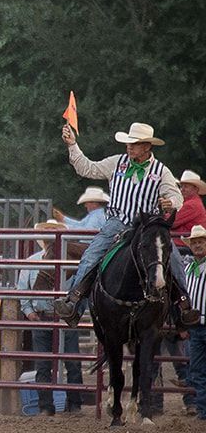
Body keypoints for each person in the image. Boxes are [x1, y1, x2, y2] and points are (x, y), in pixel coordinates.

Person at [52, 121, 193, 325]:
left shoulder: (161, 172)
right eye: (128, 143)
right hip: (118, 222)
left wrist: (171, 202)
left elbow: (176, 196)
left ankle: (183, 306)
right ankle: (73, 303)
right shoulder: (116, 162)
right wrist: (72, 145)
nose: (129, 147)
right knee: (91, 255)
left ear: (147, 146)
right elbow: (87, 168)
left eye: (134, 143)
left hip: (148, 227)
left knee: (175, 260)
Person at [17, 221, 83, 416]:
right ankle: (47, 406)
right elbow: (23, 290)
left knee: (72, 362)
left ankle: (74, 403)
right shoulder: (32, 261)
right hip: (43, 317)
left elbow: (81, 287)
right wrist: (29, 311)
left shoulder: (72, 261)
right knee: (44, 364)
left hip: (64, 316)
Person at [173, 226, 206, 422]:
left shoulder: (189, 268)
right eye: (194, 242)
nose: (197, 245)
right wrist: (183, 324)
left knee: (198, 370)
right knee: (197, 371)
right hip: (194, 327)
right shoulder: (187, 268)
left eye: (201, 241)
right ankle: (203, 411)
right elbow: (182, 299)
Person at [174, 171, 206, 241]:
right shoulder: (192, 202)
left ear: (196, 189)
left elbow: (171, 222)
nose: (182, 189)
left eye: (186, 187)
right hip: (184, 241)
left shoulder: (192, 204)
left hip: (185, 243)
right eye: (181, 186)